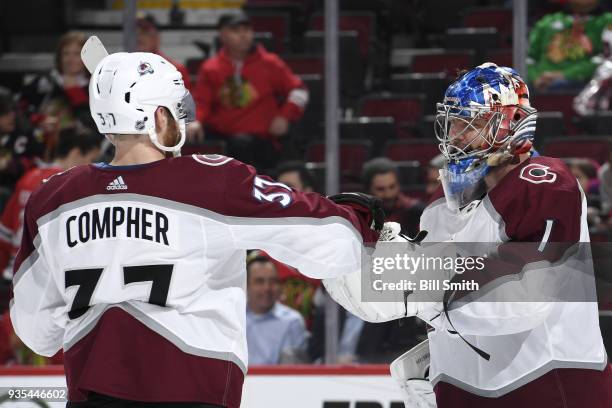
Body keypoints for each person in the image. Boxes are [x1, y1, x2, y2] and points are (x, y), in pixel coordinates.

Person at [10, 50, 382, 407]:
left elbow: (36, 332)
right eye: (177, 112)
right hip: (192, 391)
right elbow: (336, 245)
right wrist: (357, 220)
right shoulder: (210, 183)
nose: (183, 121)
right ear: (159, 118)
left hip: (89, 395)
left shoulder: (53, 199)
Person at [324, 63, 611, 407]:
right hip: (466, 387)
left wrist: (417, 279)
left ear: (511, 122)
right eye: (453, 121)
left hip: (548, 382)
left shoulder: (545, 182)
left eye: (472, 123)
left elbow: (526, 294)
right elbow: (424, 298)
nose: (456, 133)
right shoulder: (439, 206)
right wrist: (353, 255)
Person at [193, 11, 309, 171]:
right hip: (224, 141)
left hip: (262, 143)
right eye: (236, 30)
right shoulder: (211, 68)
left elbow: (299, 91)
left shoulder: (270, 63)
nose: (243, 35)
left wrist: (285, 116)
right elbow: (201, 102)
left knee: (244, 145)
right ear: (222, 35)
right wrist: (196, 120)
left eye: (246, 30)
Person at [0, 126, 100, 282]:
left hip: (14, 273)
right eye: (92, 160)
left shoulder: (29, 177)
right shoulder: (68, 186)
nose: (93, 167)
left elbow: (5, 233)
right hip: (41, 280)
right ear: (75, 153)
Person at [19, 31, 93, 141]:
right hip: (39, 143)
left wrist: (74, 92)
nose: (70, 60)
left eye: (77, 54)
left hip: (79, 146)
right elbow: (20, 108)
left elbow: (95, 123)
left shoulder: (96, 85)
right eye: (66, 54)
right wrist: (39, 120)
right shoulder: (44, 81)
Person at [528, 0, 612, 91]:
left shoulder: (607, 21)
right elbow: (529, 59)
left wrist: (565, 75)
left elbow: (606, 59)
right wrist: (535, 78)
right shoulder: (547, 22)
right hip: (540, 83)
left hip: (582, 83)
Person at [245, 251, 308, 365]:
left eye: (273, 281)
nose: (267, 288)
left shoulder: (292, 321)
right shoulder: (233, 318)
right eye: (259, 281)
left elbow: (292, 371)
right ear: (246, 285)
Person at [362, 157, 424, 236]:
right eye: (380, 189)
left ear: (399, 185)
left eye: (392, 187)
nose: (388, 195)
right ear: (368, 190)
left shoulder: (417, 212)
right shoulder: (361, 215)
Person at [136, 13, 193, 91]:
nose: (139, 38)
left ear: (156, 37)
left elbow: (186, 102)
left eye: (145, 33)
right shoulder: (123, 71)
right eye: (136, 33)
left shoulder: (175, 71)